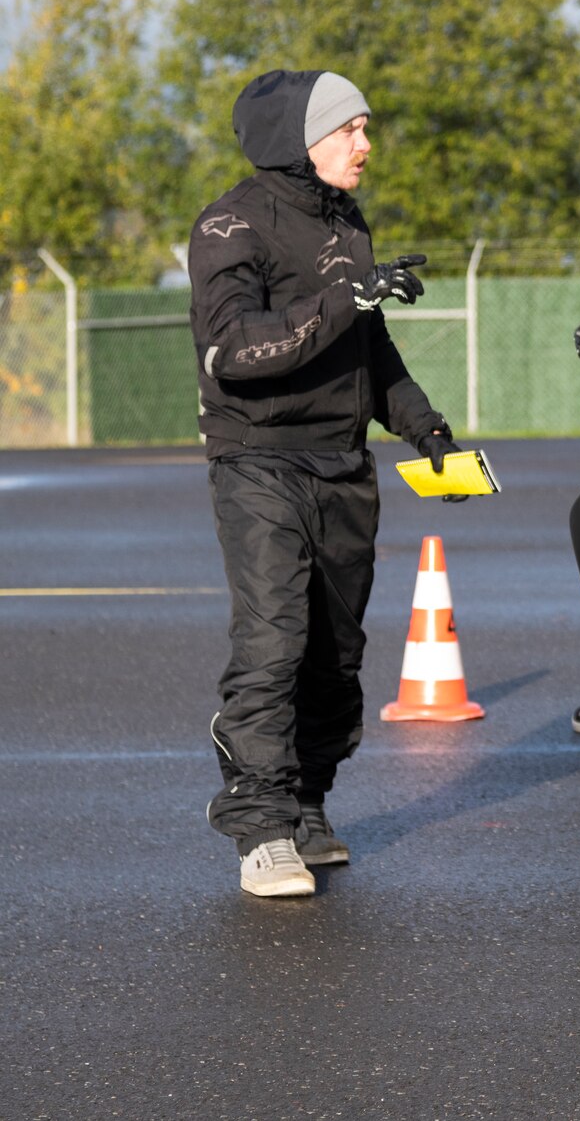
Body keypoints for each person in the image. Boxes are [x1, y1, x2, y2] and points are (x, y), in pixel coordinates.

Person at [189, 69, 462, 898]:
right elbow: (234, 350)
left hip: (344, 464)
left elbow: (368, 353)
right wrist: (345, 298)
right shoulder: (229, 224)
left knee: (336, 655)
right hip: (258, 461)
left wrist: (427, 428)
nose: (365, 144)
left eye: (365, 128)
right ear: (298, 140)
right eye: (349, 129)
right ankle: (262, 826)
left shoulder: (348, 221)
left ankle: (307, 802)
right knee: (274, 643)